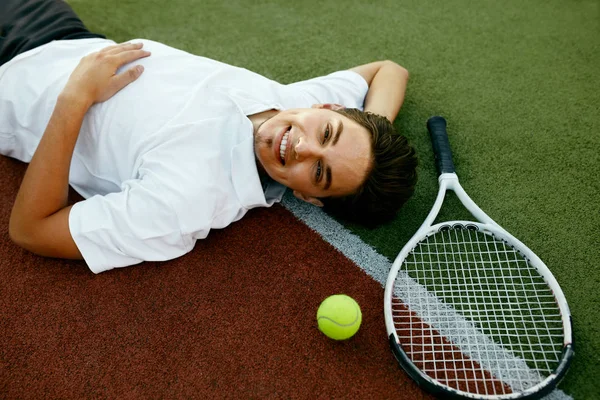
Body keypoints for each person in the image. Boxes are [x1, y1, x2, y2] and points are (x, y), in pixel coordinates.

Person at [0, 0, 417, 273]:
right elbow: (390, 70)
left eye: (321, 173)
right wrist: (366, 144)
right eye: (328, 133)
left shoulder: (187, 206)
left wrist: (75, 99)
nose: (303, 146)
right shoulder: (303, 102)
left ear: (310, 198)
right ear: (332, 109)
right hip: (60, 33)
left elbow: (31, 230)